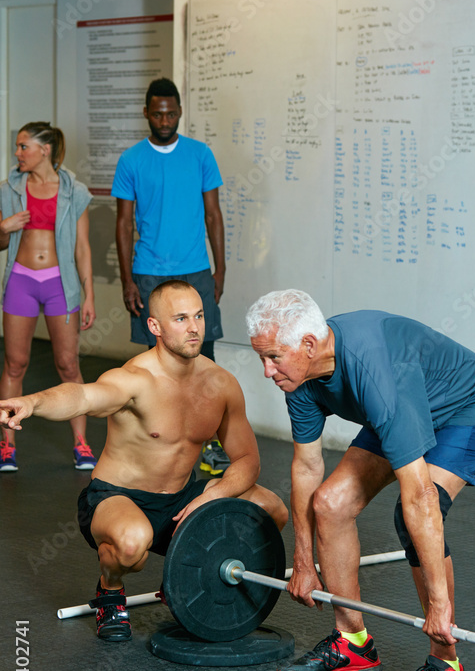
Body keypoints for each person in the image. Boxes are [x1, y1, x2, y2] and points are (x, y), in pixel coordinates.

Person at [246, 289, 475, 671]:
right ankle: (353, 643)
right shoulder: (299, 374)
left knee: (411, 521)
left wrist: (440, 606)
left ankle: (447, 664)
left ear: (309, 345)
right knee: (330, 503)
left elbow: (420, 496)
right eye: (263, 357)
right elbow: (307, 468)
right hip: (406, 405)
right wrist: (303, 559)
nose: (266, 371)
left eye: (273, 357)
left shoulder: (375, 371)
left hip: (468, 405)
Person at [0, 280, 288, 641]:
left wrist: (213, 496)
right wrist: (33, 403)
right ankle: (110, 589)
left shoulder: (221, 384)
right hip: (118, 498)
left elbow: (247, 460)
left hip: (182, 501)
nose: (194, 327)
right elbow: (82, 397)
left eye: (199, 316)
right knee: (132, 543)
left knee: (271, 509)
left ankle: (190, 576)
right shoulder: (134, 380)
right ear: (155, 327)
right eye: (180, 318)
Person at [112, 77, 229, 477]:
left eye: (171, 113)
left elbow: (214, 214)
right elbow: (124, 223)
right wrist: (127, 278)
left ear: (180, 112)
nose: (165, 120)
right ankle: (158, 446)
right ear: (146, 113)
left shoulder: (200, 155)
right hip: (148, 273)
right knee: (154, 365)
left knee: (205, 360)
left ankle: (211, 446)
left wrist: (220, 267)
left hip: (196, 270)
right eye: (157, 113)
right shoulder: (131, 160)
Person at [0, 122, 97, 472]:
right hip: (21, 281)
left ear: (45, 149)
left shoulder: (74, 191)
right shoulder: (9, 188)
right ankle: (7, 445)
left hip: (60, 283)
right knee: (15, 364)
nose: (17, 153)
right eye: (17, 147)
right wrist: (4, 227)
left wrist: (89, 295)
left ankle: (82, 444)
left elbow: (83, 248)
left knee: (68, 365)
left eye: (23, 146)